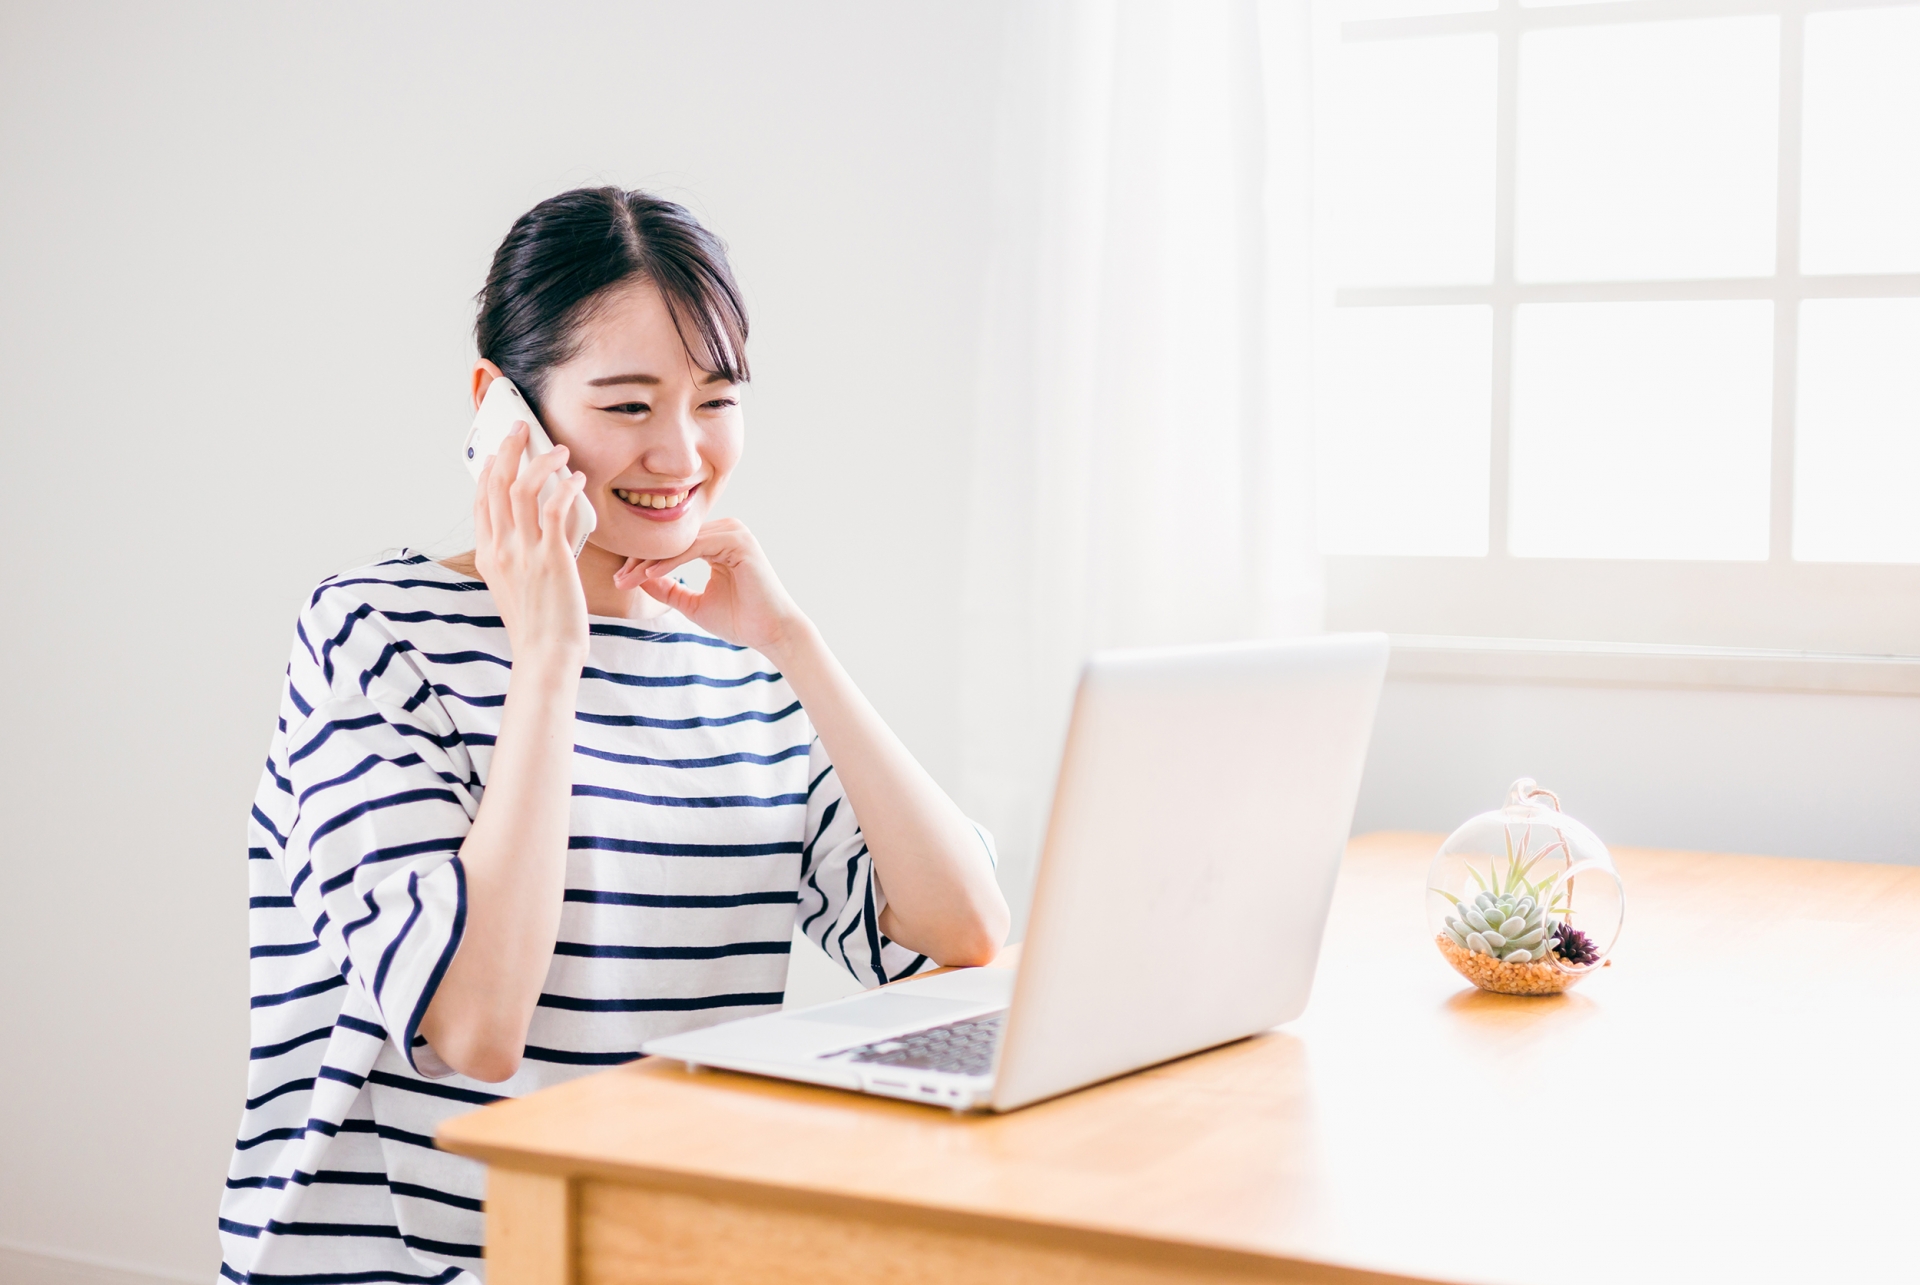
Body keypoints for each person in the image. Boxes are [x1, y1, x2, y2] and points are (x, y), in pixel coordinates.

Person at [218, 188, 1009, 1285]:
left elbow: (961, 932)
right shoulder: (373, 631)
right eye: (629, 405)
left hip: (646, 1253)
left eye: (716, 400)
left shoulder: (744, 670)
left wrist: (796, 645)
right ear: (503, 408)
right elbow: (474, 1024)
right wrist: (550, 652)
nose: (681, 452)